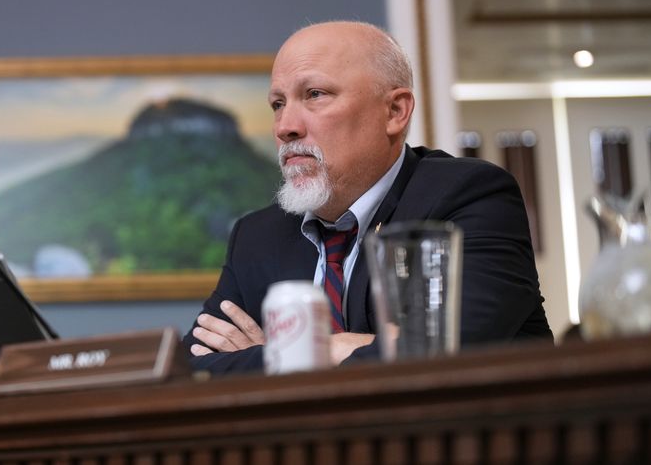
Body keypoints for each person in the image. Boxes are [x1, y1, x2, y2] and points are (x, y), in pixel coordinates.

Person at [182, 20, 552, 374]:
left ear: (395, 111)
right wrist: (345, 347)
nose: (284, 127)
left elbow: (445, 353)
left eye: (314, 95)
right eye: (278, 104)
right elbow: (191, 369)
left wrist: (281, 353)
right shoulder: (257, 235)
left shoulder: (470, 196)